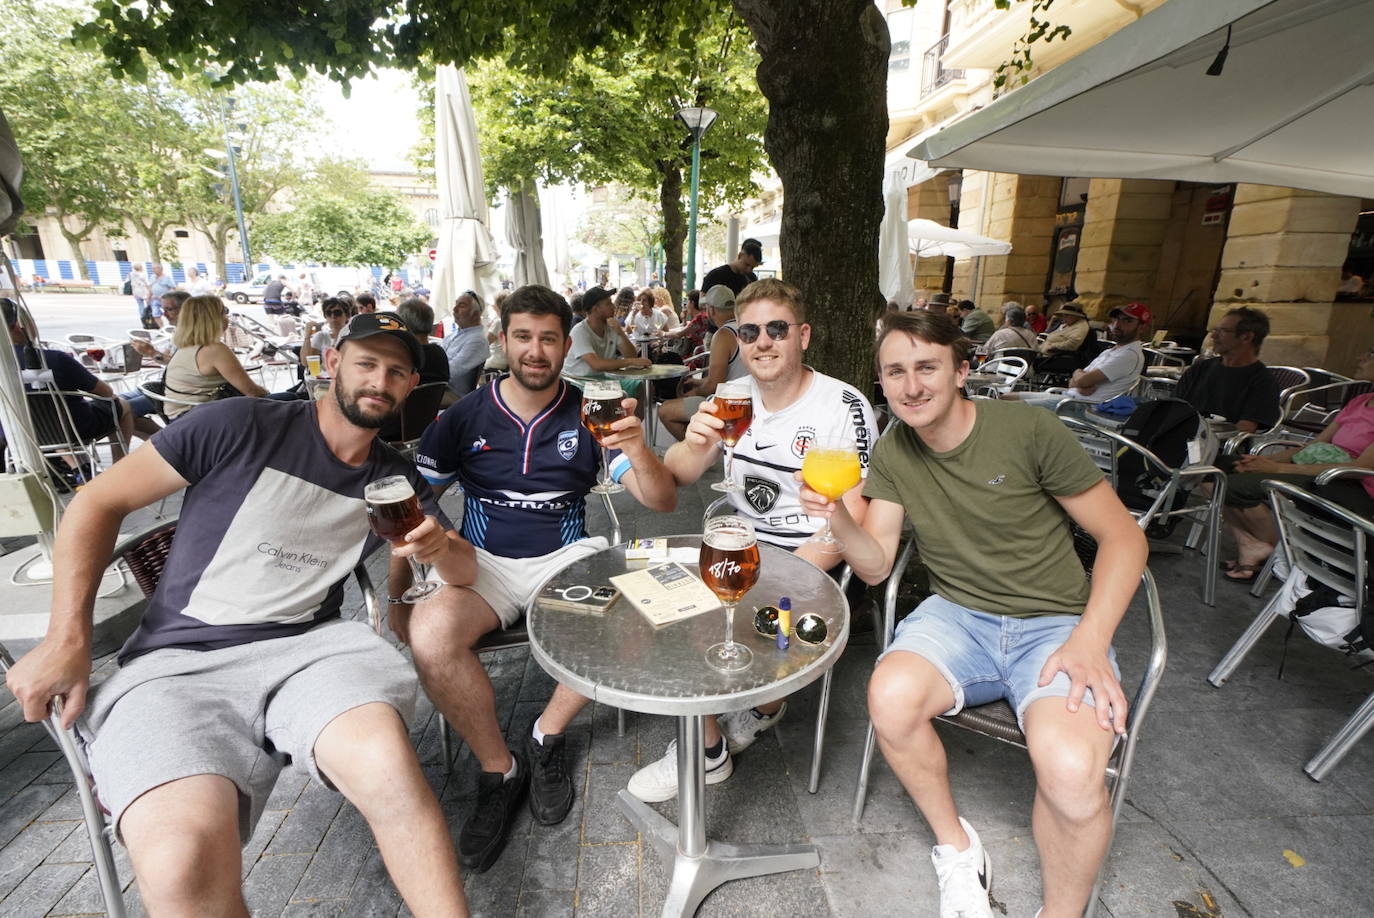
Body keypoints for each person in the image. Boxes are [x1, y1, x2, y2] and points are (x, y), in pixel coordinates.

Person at [5, 311, 474, 917]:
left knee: (389, 770)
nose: (378, 380)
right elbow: (98, 501)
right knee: (179, 859)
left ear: (411, 385)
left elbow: (461, 572)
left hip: (312, 651)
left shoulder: (396, 479)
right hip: (173, 665)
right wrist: (67, 637)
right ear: (332, 364)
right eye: (365, 363)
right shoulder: (237, 423)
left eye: (395, 371)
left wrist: (442, 548)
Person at [798, 309, 1147, 918]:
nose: (911, 387)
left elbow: (1125, 540)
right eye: (895, 372)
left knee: (1069, 770)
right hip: (957, 616)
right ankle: (958, 849)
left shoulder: (1027, 430)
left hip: (1057, 623)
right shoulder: (895, 450)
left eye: (926, 367)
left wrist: (1091, 642)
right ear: (881, 383)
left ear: (962, 370)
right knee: (889, 699)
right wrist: (838, 519)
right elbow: (877, 564)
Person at [396, 284, 678, 873]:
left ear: (563, 343)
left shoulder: (591, 409)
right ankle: (500, 770)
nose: (535, 350)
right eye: (523, 336)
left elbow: (658, 499)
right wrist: (399, 589)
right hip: (484, 562)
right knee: (431, 635)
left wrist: (635, 446)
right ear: (503, 340)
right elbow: (411, 503)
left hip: (564, 555)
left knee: (632, 607)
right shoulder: (463, 416)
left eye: (549, 338)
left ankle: (546, 736)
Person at [629, 278, 878, 801]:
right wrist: (694, 441)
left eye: (777, 329)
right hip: (739, 546)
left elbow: (844, 525)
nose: (762, 342)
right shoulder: (731, 396)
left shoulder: (841, 406)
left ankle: (748, 713)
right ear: (737, 340)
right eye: (749, 331)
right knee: (653, 597)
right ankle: (712, 744)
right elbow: (678, 474)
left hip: (815, 562)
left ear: (802, 335)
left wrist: (768, 577)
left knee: (717, 611)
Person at [1219, 346, 1374, 582]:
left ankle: (1273, 552)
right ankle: (1252, 545)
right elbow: (1313, 445)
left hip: (1348, 485)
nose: (1360, 356)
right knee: (1217, 469)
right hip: (1320, 468)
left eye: (1370, 354)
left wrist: (1278, 468)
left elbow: (1361, 469)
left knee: (1233, 486)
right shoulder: (1361, 400)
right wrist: (1263, 460)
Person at [3, 297, 139, 458]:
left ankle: (80, 467)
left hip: (17, 434)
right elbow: (106, 392)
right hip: (75, 429)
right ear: (20, 325)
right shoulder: (54, 359)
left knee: (51, 418)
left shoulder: (6, 366)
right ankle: (119, 464)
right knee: (122, 405)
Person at [658, 285, 749, 441]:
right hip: (748, 397)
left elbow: (714, 385)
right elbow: (729, 375)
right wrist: (699, 382)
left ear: (711, 310)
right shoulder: (746, 327)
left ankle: (700, 455)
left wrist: (695, 392)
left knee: (665, 411)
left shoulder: (723, 335)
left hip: (730, 404)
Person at [1017, 303, 1147, 408]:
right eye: (1117, 319)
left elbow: (1081, 379)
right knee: (1006, 397)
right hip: (1069, 397)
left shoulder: (1129, 355)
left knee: (1009, 405)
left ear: (1142, 328)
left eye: (1127, 321)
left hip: (1078, 407)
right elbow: (1075, 381)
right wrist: (1079, 379)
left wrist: (1079, 380)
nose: (1118, 325)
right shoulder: (1111, 351)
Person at [1175, 307, 1280, 434]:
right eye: (1215, 330)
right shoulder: (1200, 368)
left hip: (1217, 446)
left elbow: (1246, 427)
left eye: (1223, 331)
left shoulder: (1263, 381)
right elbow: (1174, 407)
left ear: (1246, 337)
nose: (1213, 336)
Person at [162, 295, 269, 418]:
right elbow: (252, 392)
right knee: (290, 400)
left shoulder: (186, 345)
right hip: (202, 420)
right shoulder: (214, 350)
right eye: (224, 312)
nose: (227, 317)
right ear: (213, 319)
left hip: (181, 417)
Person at [564, 285, 650, 376]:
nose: (614, 306)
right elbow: (596, 365)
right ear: (596, 309)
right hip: (580, 383)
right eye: (609, 303)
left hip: (604, 379)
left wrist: (620, 332)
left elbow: (632, 356)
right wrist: (630, 362)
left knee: (640, 384)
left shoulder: (611, 327)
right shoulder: (580, 332)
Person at [440, 290, 490, 402]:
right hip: (440, 388)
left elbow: (451, 372)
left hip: (453, 394)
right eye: (456, 304)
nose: (454, 309)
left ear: (476, 314)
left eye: (461, 305)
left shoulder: (477, 340)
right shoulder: (454, 335)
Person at [301, 297, 355, 370]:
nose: (333, 317)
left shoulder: (355, 336)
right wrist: (307, 335)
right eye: (328, 313)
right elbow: (306, 363)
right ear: (325, 316)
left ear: (347, 315)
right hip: (327, 379)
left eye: (337, 313)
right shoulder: (322, 336)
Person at [483, 291, 510, 373]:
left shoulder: (498, 322)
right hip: (507, 360)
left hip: (496, 361)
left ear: (496, 307)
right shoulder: (510, 321)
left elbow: (487, 342)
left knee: (478, 367)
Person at [129, 264, 153, 328]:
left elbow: (131, 283)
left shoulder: (131, 274)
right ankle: (149, 317)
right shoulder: (143, 274)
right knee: (149, 304)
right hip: (144, 290)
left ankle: (143, 318)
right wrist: (150, 290)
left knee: (140, 306)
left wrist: (133, 291)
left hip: (136, 291)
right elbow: (147, 283)